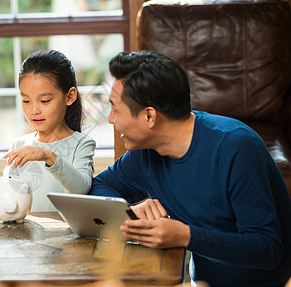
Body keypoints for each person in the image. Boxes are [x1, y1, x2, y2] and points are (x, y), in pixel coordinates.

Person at [89, 51, 291, 286]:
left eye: (116, 109)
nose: (111, 119)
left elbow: (267, 249)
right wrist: (130, 209)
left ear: (149, 116)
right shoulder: (144, 154)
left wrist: (185, 235)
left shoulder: (236, 147)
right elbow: (98, 185)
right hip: (198, 280)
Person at [0, 49, 95, 212]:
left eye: (45, 101)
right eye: (26, 100)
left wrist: (48, 156)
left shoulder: (81, 144)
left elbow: (81, 189)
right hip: (26, 235)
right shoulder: (19, 144)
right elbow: (8, 200)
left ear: (69, 96)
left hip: (65, 236)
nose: (34, 110)